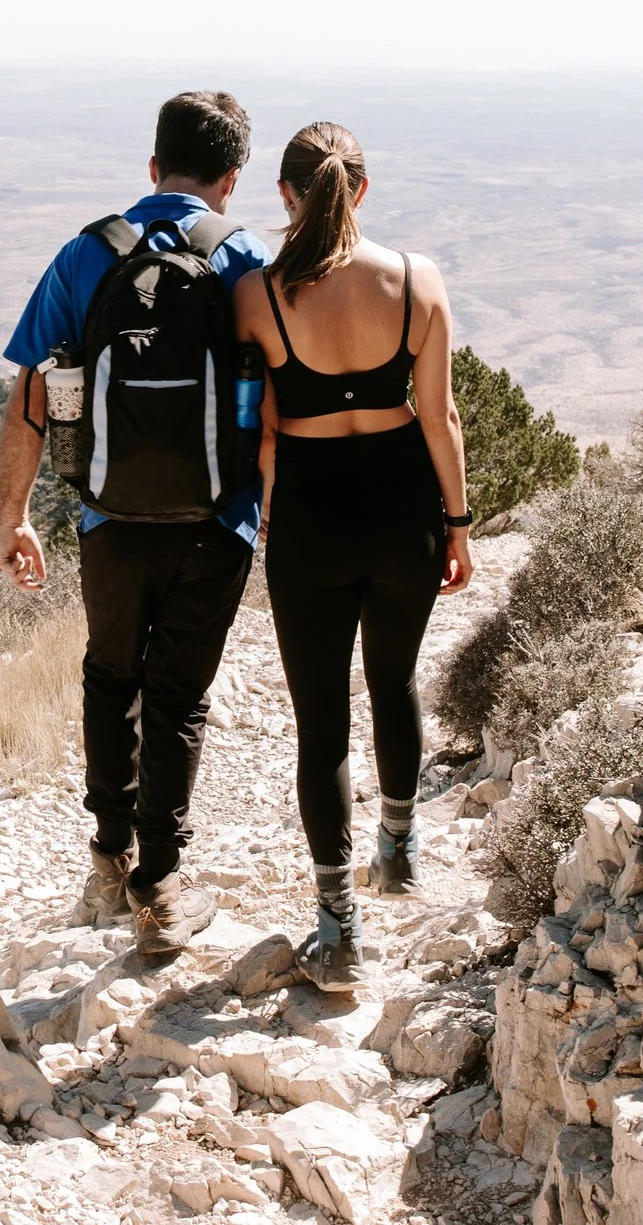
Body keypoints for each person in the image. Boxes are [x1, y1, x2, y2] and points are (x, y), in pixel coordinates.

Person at [0, 91, 271, 953]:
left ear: (153, 168)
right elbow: (280, 399)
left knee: (111, 675)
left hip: (107, 513)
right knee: (178, 694)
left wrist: (14, 517)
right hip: (218, 518)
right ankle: (161, 884)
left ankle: (109, 858)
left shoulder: (88, 253)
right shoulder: (246, 259)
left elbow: (30, 396)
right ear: (232, 177)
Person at [235, 120, 474, 992]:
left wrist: (270, 517)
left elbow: (262, 432)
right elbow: (440, 418)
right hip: (404, 503)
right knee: (395, 677)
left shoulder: (257, 295)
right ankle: (399, 850)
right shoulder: (417, 279)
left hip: (311, 510)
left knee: (321, 721)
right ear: (361, 190)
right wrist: (458, 523)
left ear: (285, 195)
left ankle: (338, 932)